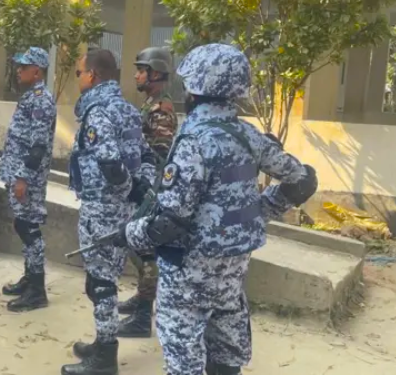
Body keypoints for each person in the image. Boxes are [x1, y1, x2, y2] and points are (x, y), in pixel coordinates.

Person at [115, 44, 318, 375]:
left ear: (195, 88)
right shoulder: (249, 135)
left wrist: (130, 233)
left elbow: (171, 220)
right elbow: (304, 181)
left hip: (189, 273)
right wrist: (262, 209)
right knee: (226, 355)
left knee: (184, 360)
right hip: (232, 271)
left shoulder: (194, 140)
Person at [63, 49, 155, 375]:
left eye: (79, 73)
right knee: (104, 280)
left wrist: (127, 188)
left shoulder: (98, 112)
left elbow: (110, 162)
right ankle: (102, 343)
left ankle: (105, 358)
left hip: (102, 209)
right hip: (123, 208)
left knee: (101, 283)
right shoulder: (127, 109)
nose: (78, 79)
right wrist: (140, 188)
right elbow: (147, 155)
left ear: (93, 75)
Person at [118, 46, 178, 338]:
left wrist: (145, 189)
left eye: (141, 71)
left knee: (142, 248)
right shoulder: (150, 105)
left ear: (155, 73)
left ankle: (143, 316)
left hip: (151, 190)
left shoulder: (161, 110)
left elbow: (160, 155)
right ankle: (143, 297)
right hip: (145, 185)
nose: (136, 75)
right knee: (136, 245)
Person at [0, 47, 57, 312]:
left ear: (37, 71)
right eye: (18, 65)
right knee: (23, 224)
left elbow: (37, 147)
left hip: (28, 177)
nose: (18, 70)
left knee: (28, 228)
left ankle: (37, 291)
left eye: (24, 66)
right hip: (19, 173)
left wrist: (22, 178)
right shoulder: (31, 97)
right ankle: (30, 278)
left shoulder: (41, 100)